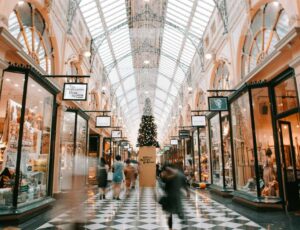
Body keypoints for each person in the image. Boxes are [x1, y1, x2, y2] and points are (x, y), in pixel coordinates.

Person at [159, 164, 187, 230]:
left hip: (173, 197)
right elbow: (183, 182)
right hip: (174, 197)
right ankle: (174, 226)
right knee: (177, 213)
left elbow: (163, 185)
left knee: (174, 213)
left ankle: (171, 227)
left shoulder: (167, 175)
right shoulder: (176, 175)